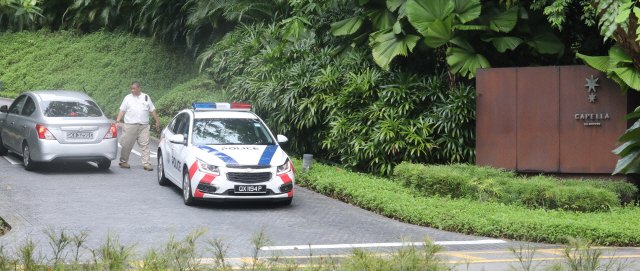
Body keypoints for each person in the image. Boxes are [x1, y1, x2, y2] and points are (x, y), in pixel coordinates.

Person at [115, 82, 160, 171]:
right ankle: (123, 161)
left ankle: (146, 164)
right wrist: (117, 121)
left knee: (145, 145)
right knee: (126, 144)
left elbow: (152, 110)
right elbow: (122, 110)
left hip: (143, 126)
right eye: (131, 88)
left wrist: (157, 121)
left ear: (139, 88)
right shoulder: (127, 98)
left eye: (134, 88)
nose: (132, 90)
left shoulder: (146, 97)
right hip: (130, 125)